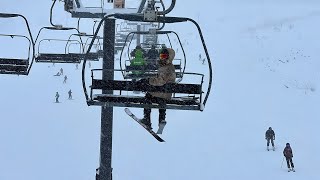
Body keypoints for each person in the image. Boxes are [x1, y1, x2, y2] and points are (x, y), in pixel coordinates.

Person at [138, 48, 176, 130]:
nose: (162, 58)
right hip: (165, 93)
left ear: (169, 57)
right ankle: (162, 119)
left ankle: (147, 119)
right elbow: (162, 79)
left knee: (148, 97)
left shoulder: (167, 68)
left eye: (164, 56)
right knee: (162, 101)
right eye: (161, 56)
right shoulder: (167, 67)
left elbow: (160, 81)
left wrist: (148, 80)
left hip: (161, 92)